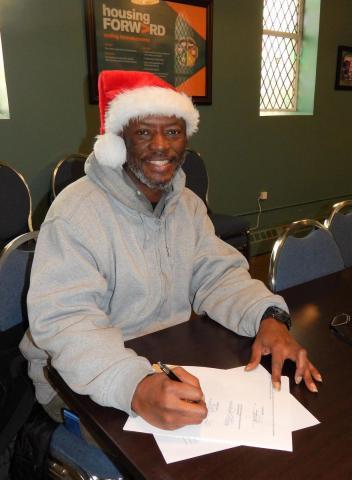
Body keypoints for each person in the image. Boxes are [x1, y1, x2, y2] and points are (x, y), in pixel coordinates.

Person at [20, 70, 321, 435]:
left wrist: (268, 318)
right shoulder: (75, 214)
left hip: (164, 359)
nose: (161, 145)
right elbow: (68, 324)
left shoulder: (187, 205)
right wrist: (135, 386)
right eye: (144, 132)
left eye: (173, 131)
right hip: (80, 378)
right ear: (118, 141)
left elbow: (217, 275)